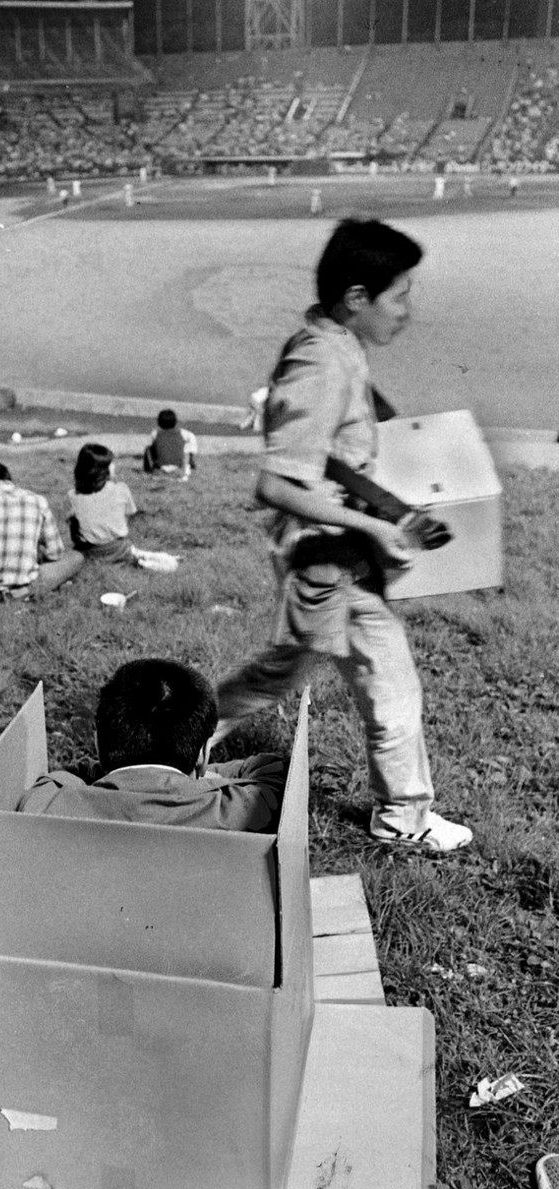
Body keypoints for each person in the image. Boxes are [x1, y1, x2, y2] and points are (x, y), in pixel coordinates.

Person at [214, 217, 473, 853]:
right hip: (326, 558)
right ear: (358, 297)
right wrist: (377, 524)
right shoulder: (321, 360)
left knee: (354, 678)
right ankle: (403, 817)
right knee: (318, 677)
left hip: (337, 558)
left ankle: (403, 815)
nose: (407, 311)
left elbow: (334, 440)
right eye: (400, 296)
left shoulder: (335, 342)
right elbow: (276, 483)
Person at [16, 658, 286, 833]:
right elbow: (270, 768)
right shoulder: (242, 811)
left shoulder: (47, 803)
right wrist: (204, 775)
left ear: (97, 743)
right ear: (204, 752)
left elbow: (68, 774)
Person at [0, 457, 83, 599]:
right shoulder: (38, 500)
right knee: (76, 557)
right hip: (26, 581)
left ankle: (1, 593)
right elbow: (55, 553)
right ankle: (27, 590)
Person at [67, 443, 138, 563]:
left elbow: (73, 527)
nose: (114, 466)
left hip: (87, 552)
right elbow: (129, 515)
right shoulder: (121, 489)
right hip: (119, 548)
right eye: (111, 463)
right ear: (104, 470)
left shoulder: (72, 495)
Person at [143, 409, 198, 480]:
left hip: (159, 471)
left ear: (159, 422)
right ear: (175, 421)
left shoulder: (155, 433)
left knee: (148, 448)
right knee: (187, 448)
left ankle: (148, 470)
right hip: (178, 471)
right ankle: (189, 466)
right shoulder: (183, 433)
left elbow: (150, 448)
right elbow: (192, 445)